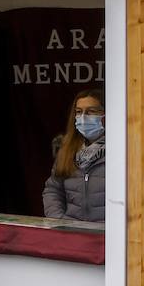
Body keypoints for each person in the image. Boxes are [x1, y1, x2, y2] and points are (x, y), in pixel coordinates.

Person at [43, 89, 106, 222]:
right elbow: (53, 190)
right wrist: (60, 220)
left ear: (105, 114)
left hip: (110, 236)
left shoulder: (122, 150)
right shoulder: (68, 149)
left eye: (91, 111)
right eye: (78, 112)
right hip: (73, 233)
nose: (83, 117)